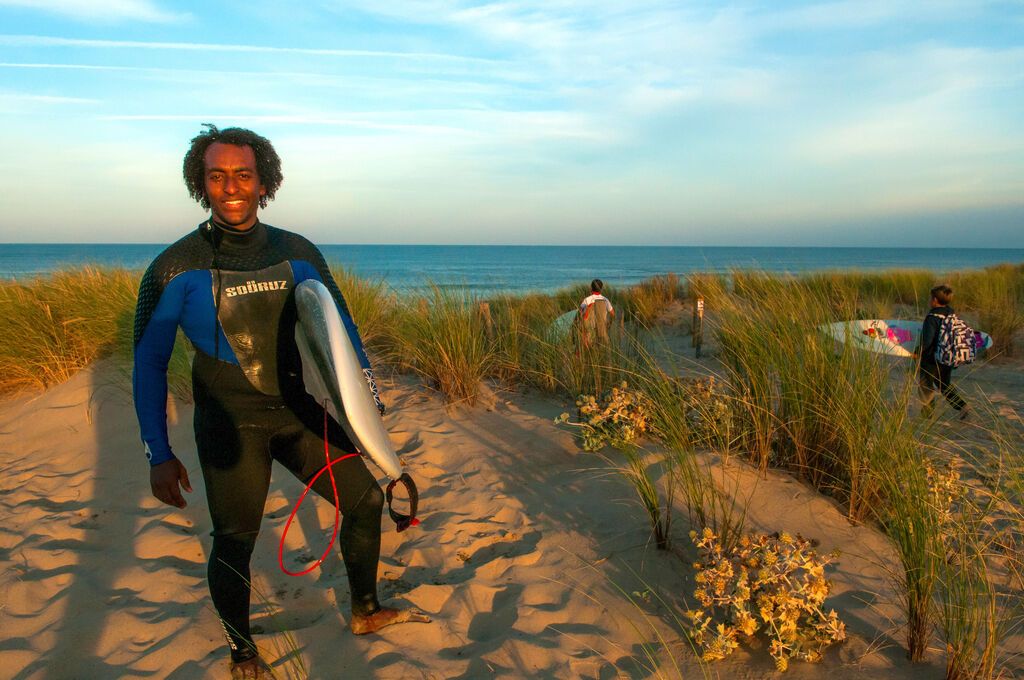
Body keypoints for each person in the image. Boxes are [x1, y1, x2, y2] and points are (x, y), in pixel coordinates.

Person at [132, 125, 429, 679]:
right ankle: (243, 650)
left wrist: (365, 398)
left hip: (299, 409)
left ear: (263, 180)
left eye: (243, 175)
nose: (231, 187)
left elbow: (341, 328)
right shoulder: (175, 267)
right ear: (201, 184)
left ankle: (365, 610)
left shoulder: (298, 252)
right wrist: (158, 451)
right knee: (235, 540)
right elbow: (147, 363)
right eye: (217, 176)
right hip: (230, 422)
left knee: (364, 502)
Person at [915, 284, 968, 420]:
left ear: (935, 300)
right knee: (943, 384)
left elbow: (927, 340)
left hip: (932, 358)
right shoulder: (952, 314)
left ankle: (927, 414)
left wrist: (918, 351)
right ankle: (962, 406)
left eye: (930, 298)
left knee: (925, 384)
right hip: (948, 356)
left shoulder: (932, 317)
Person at [576, 279, 615, 346]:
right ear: (601, 288)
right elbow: (612, 314)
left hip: (588, 331)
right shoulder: (605, 300)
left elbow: (578, 314)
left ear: (591, 288)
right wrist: (609, 325)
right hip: (602, 330)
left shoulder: (587, 300)